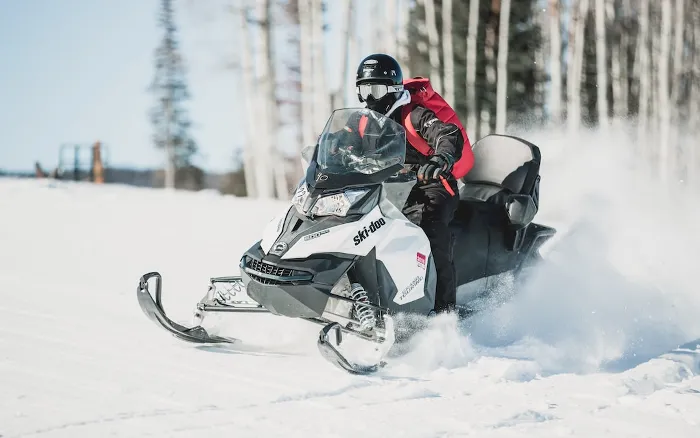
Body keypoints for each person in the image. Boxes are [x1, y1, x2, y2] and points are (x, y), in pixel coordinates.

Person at [343, 53, 475, 314]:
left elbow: (446, 133)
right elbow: (341, 141)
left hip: (431, 185)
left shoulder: (413, 114)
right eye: (364, 90)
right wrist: (326, 152)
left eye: (375, 90)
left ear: (392, 90)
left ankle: (443, 310)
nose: (370, 98)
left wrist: (441, 157)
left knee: (428, 231)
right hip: (387, 189)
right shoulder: (361, 120)